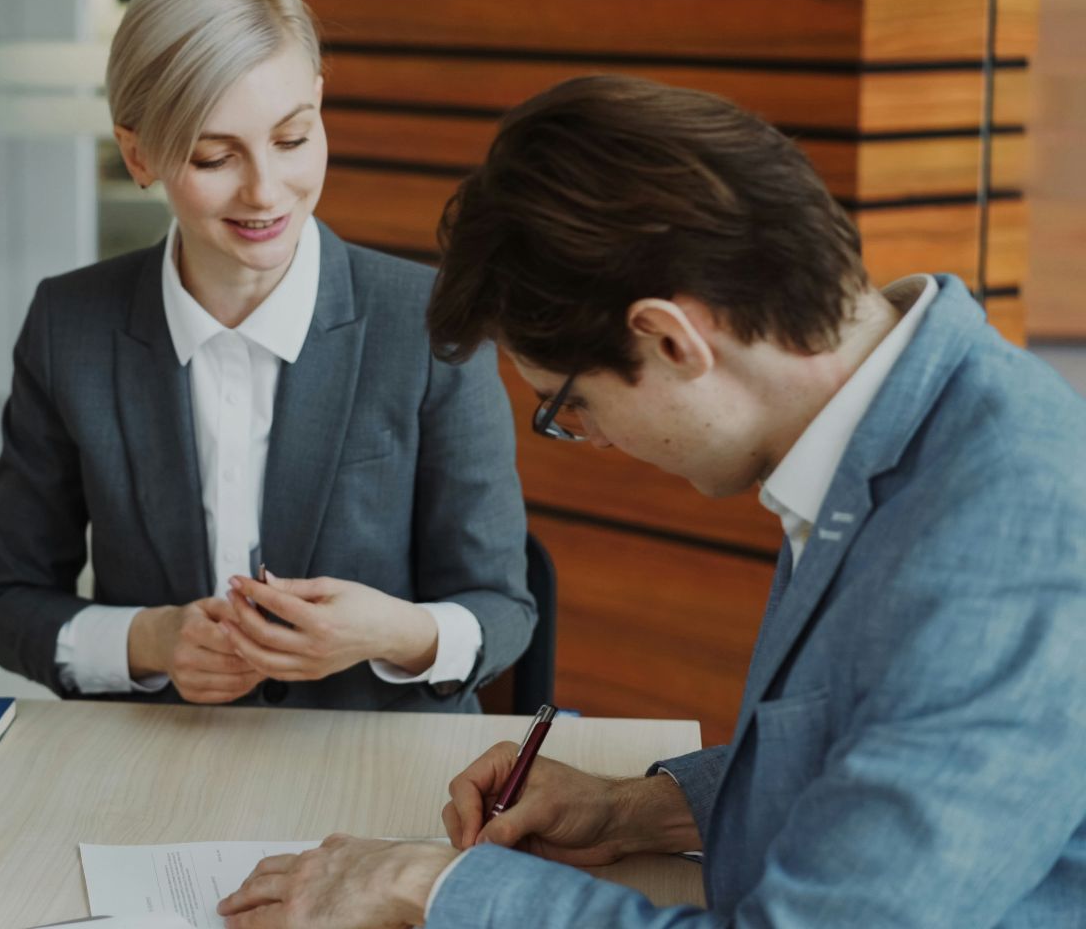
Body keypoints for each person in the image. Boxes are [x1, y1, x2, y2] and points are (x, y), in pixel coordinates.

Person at [216, 74, 1086, 927]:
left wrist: (428, 886)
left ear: (670, 338)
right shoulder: (899, 424)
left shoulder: (1010, 541)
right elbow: (878, 740)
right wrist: (644, 808)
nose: (593, 440)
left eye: (570, 405)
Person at [0, 0, 533, 712]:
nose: (266, 190)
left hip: (376, 762)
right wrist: (152, 641)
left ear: (319, 109)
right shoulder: (68, 325)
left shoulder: (429, 324)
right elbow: (10, 605)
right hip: (159, 764)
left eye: (293, 138)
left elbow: (504, 610)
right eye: (214, 156)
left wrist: (391, 633)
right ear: (139, 154)